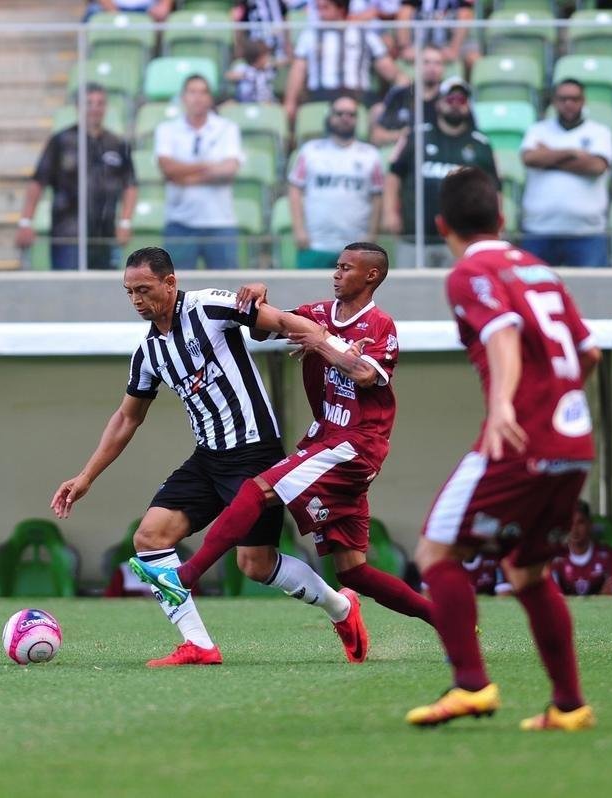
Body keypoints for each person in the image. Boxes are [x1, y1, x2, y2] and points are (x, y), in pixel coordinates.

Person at [51, 246, 368, 667]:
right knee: (149, 538)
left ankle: (341, 608)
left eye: (144, 289)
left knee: (255, 564)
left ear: (170, 282)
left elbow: (281, 321)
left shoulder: (210, 307)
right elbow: (127, 418)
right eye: (129, 292)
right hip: (207, 458)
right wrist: (86, 476)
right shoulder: (148, 353)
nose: (136, 300)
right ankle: (198, 644)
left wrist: (336, 349)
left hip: (254, 454)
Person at [128, 243, 436, 649]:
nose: (336, 274)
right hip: (324, 439)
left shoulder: (380, 325)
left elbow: (364, 374)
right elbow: (264, 328)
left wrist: (322, 344)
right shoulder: (318, 313)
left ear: (372, 276)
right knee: (353, 572)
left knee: (257, 490)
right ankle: (446, 620)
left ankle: (185, 576)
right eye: (337, 266)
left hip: (355, 444)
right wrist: (258, 295)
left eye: (346, 268)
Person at [405, 166, 601, 731]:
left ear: (441, 225)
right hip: (573, 441)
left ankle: (471, 687)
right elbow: (590, 354)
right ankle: (569, 707)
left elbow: (503, 335)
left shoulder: (470, 272)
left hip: (520, 439)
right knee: (527, 572)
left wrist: (503, 407)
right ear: (502, 216)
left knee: (436, 554)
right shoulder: (540, 270)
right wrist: (557, 404)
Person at [16, 83, 136, 270]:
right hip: (67, 236)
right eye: (89, 103)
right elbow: (38, 182)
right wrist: (26, 222)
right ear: (78, 107)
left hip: (104, 236)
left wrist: (125, 222)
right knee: (67, 285)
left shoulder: (117, 144)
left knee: (104, 285)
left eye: (100, 103)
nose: (94, 108)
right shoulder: (61, 141)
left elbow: (130, 185)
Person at [384, 77, 498, 268]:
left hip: (461, 240)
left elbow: (494, 188)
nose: (456, 104)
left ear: (469, 106)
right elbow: (394, 174)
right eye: (450, 99)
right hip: (414, 238)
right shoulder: (416, 136)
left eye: (461, 100)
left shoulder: (481, 144)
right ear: (439, 103)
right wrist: (389, 212)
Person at [519, 79, 612, 268]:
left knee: (592, 287)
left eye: (574, 99)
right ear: (554, 101)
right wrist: (571, 152)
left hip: (587, 232)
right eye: (563, 99)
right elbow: (529, 158)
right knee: (535, 286)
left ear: (583, 101)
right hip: (539, 230)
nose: (568, 104)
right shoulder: (538, 130)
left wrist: (548, 157)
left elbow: (596, 166)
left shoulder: (599, 132)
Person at [155, 75, 244, 270]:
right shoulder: (167, 129)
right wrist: (206, 165)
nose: (198, 98)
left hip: (220, 222)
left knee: (227, 286)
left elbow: (229, 169)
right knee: (175, 286)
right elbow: (167, 168)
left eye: (203, 92)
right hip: (180, 222)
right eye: (192, 92)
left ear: (210, 98)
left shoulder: (227, 128)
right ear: (183, 97)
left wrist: (184, 177)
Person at [287, 93, 384, 268]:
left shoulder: (371, 155)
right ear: (330, 117)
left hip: (357, 248)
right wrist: (299, 230)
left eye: (351, 114)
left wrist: (372, 234)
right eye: (340, 113)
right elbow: (295, 190)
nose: (345, 118)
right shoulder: (310, 151)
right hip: (315, 244)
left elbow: (377, 197)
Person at [284, 0, 399, 119]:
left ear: (340, 9)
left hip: (358, 93)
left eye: (325, 8)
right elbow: (298, 70)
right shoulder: (310, 36)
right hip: (322, 94)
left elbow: (388, 69)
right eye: (318, 9)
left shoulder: (365, 35)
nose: (320, 13)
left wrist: (405, 86)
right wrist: (290, 102)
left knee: (379, 110)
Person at [370, 44, 444, 146]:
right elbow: (376, 137)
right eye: (426, 62)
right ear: (416, 66)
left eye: (437, 63)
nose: (432, 68)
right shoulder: (399, 95)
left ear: (443, 68)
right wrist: (404, 135)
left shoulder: (449, 97)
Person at [549, 500, 612, 596]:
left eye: (580, 522)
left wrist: (609, 594)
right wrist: (600, 595)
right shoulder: (555, 558)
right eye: (571, 523)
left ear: (590, 524)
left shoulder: (609, 556)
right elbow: (551, 595)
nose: (574, 529)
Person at [396, 0, 477, 69]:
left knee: (473, 58)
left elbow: (466, 13)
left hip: (451, 42)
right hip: (420, 42)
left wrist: (454, 50)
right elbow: (404, 12)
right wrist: (405, 48)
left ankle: (462, 83)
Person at [226, 39, 277, 104]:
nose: (267, 58)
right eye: (264, 56)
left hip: (265, 103)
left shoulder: (268, 69)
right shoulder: (243, 67)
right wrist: (247, 74)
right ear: (257, 57)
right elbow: (229, 75)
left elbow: (278, 63)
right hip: (244, 103)